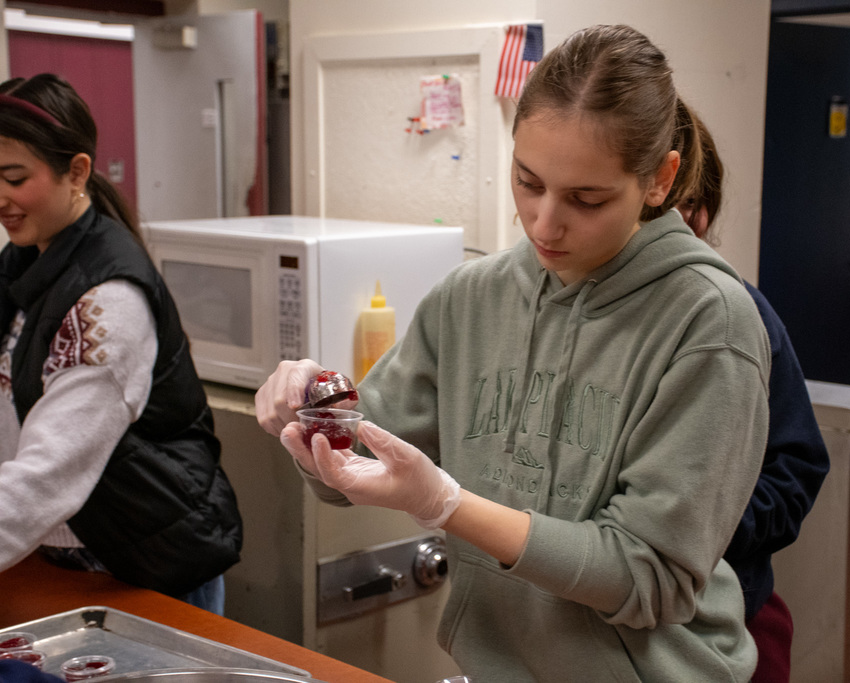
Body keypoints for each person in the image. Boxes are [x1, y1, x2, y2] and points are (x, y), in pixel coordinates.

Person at [257, 25, 771, 681]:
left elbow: (650, 577)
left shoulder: (709, 320)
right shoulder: (471, 298)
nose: (544, 222)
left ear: (660, 179)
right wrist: (314, 415)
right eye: (528, 181)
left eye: (587, 198)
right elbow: (357, 459)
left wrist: (446, 505)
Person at [0, 74, 242, 614]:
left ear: (78, 171)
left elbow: (48, 472)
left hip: (135, 566)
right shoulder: (24, 263)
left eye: (14, 177)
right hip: (57, 557)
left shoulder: (108, 300)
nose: (1, 198)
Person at [678, 112, 830, 683]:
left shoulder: (740, 315)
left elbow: (798, 467)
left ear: (700, 215)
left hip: (726, 620)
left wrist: (699, 529)